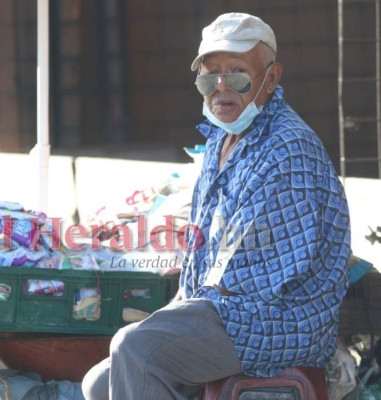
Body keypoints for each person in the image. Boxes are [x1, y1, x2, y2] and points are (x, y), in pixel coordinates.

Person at [82, 12, 351, 400]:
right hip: (228, 310)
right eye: (210, 77)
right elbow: (203, 251)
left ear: (271, 78)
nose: (221, 88)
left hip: (277, 321)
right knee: (99, 382)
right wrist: (182, 306)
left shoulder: (287, 150)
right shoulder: (220, 141)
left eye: (238, 74)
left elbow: (254, 277)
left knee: (137, 348)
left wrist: (181, 315)